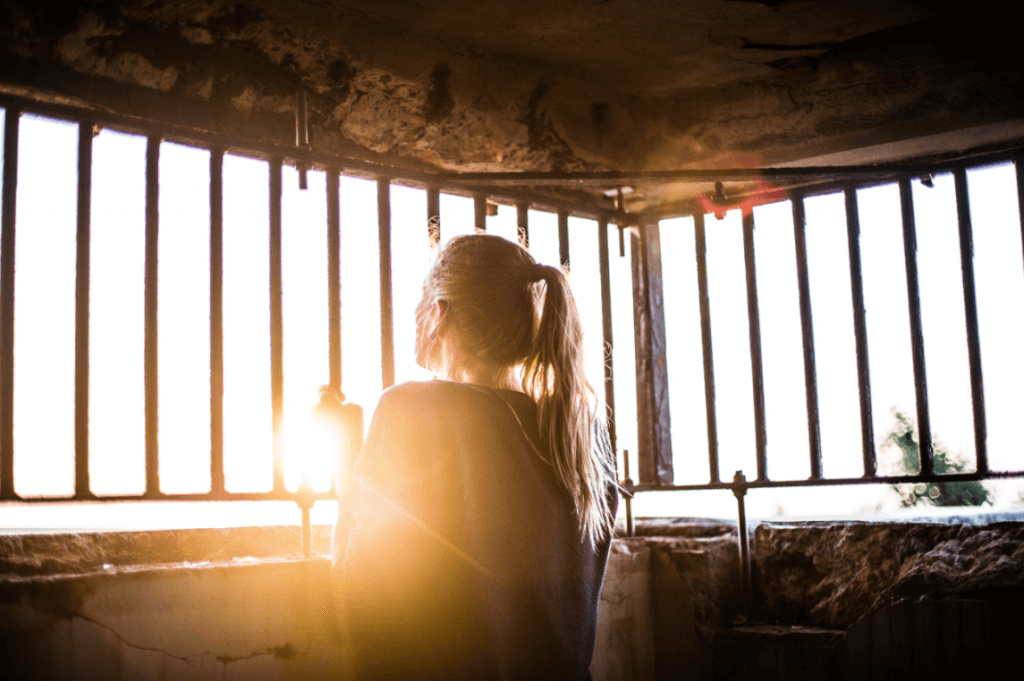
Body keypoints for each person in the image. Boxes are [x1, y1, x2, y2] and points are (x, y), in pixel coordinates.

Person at [326, 234, 618, 680]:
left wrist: (345, 467)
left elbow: (357, 597)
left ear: (438, 315)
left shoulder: (412, 411)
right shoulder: (580, 434)